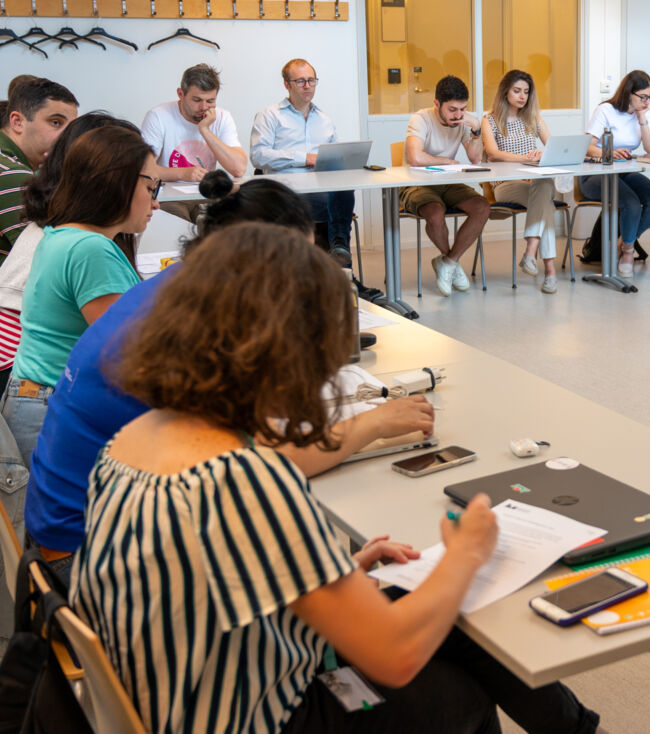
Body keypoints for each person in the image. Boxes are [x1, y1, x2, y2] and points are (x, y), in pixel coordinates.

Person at [72, 222, 604, 734]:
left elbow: (202, 573)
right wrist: (467, 551)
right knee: (457, 688)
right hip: (255, 714)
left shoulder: (134, 439)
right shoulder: (244, 480)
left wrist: (334, 570)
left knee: (414, 603)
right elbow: (394, 657)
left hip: (171, 696)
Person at [25, 170, 434, 585]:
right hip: (91, 559)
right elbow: (273, 462)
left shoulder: (178, 290)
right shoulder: (202, 327)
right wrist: (374, 422)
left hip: (74, 528)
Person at [0, 126, 153, 548]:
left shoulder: (61, 233)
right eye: (151, 185)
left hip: (34, 398)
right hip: (50, 405)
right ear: (119, 183)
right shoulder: (91, 249)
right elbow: (134, 352)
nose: (155, 200)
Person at [0, 77, 79, 385]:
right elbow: (51, 259)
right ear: (17, 121)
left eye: (70, 128)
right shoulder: (12, 176)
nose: (65, 138)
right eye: (55, 122)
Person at [250, 58, 357, 267]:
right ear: (287, 85)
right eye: (300, 81)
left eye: (311, 80)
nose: (307, 86)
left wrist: (346, 161)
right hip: (285, 190)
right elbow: (258, 155)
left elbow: (334, 155)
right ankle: (341, 269)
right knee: (334, 207)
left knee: (343, 188)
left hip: (320, 188)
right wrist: (304, 158)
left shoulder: (324, 119)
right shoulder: (269, 115)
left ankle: (339, 249)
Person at [401, 75, 491, 297]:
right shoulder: (420, 119)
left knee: (482, 207)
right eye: (452, 109)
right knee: (435, 211)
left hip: (447, 181)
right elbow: (415, 157)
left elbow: (475, 158)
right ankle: (452, 262)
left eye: (463, 109)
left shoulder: (461, 123)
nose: (458, 115)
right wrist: (448, 161)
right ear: (436, 104)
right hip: (416, 182)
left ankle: (449, 262)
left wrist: (477, 129)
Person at [481, 69, 559, 293]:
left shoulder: (534, 118)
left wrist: (542, 154)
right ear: (505, 92)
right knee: (546, 205)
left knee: (543, 188)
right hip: (505, 185)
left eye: (526, 92)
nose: (522, 96)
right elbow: (494, 154)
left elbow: (552, 148)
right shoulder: (490, 119)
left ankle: (530, 254)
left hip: (533, 182)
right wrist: (526, 157)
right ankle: (549, 271)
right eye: (517, 91)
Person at [582, 70, 650, 278]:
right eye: (643, 97)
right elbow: (586, 147)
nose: (647, 101)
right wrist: (609, 153)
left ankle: (622, 243)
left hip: (623, 171)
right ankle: (628, 252)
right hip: (594, 174)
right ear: (629, 93)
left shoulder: (643, 114)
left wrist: (642, 118)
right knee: (631, 203)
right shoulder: (606, 110)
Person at [141, 63, 248, 220]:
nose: (204, 107)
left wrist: (204, 130)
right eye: (197, 100)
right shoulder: (158, 116)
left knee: (235, 220)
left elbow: (238, 169)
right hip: (169, 197)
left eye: (210, 101)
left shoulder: (223, 117)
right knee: (180, 226)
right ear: (180, 94)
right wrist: (182, 173)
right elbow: (143, 169)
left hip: (208, 194)